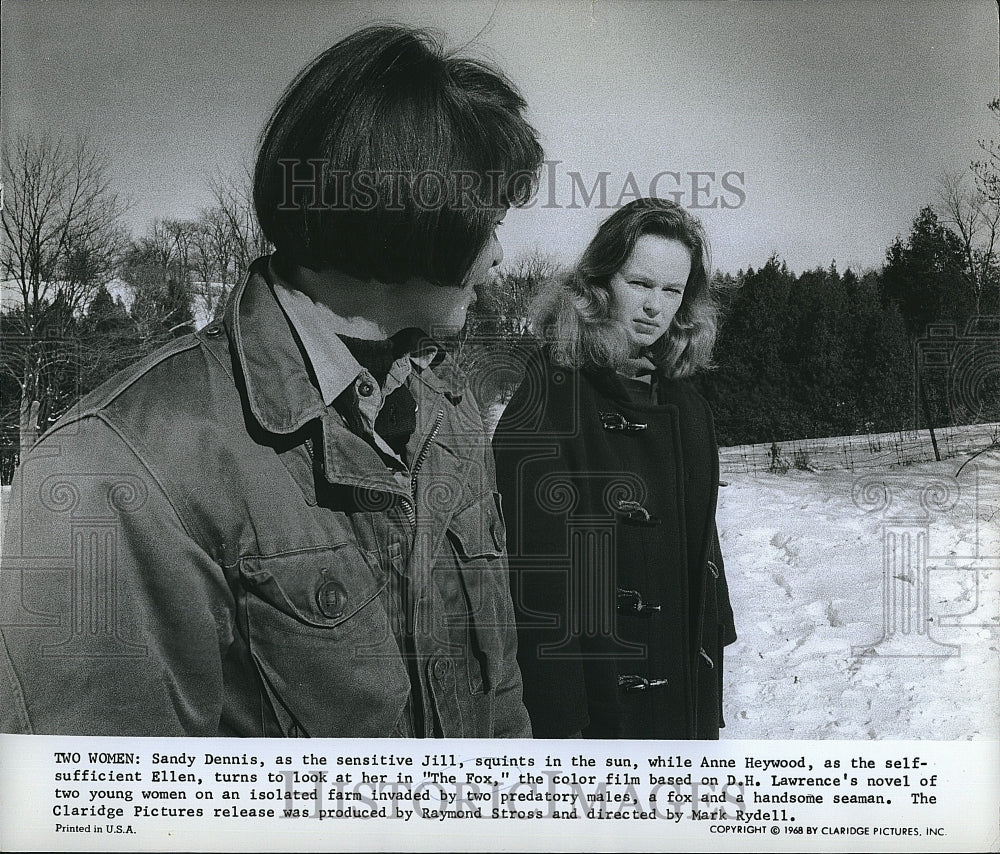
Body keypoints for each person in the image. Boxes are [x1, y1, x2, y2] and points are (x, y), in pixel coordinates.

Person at [0, 25, 543, 737]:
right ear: (411, 211)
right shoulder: (117, 470)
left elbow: (498, 711)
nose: (499, 256)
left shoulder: (449, 407)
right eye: (490, 223)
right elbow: (103, 815)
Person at [493, 198, 737, 739]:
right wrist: (564, 731)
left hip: (681, 690)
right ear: (601, 282)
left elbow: (703, 555)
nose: (655, 306)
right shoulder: (550, 396)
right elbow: (539, 596)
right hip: (599, 708)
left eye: (672, 290)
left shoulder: (685, 399)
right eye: (640, 283)